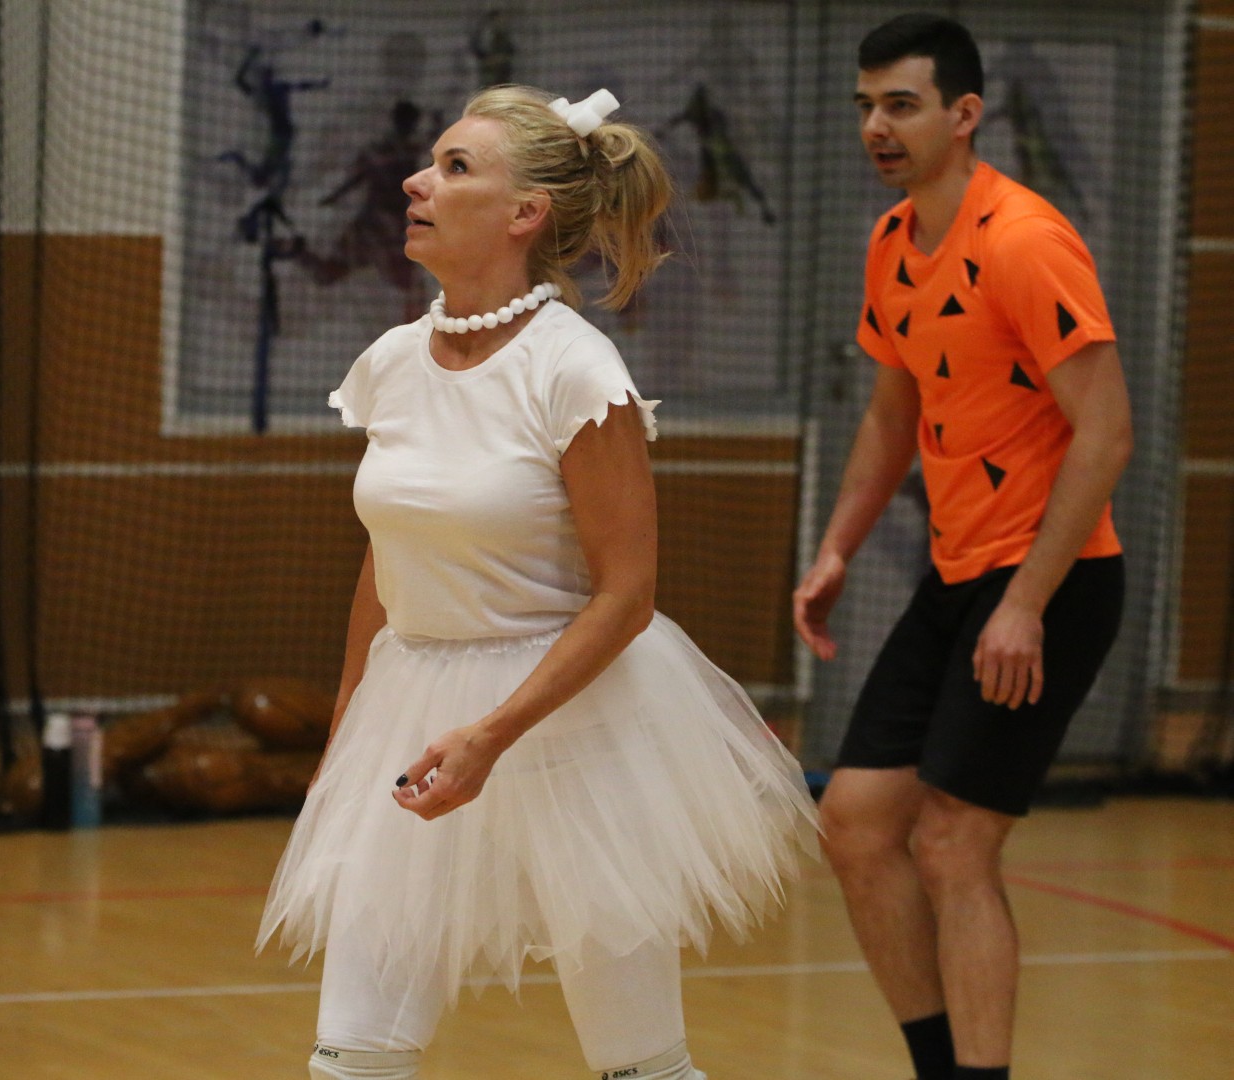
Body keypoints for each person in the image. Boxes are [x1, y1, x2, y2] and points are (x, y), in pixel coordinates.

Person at [257, 85, 818, 1080]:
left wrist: (493, 733)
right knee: (351, 1060)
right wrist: (345, 734)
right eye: (431, 163)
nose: (416, 182)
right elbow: (389, 556)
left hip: (574, 730)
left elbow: (626, 596)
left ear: (526, 213)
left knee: (639, 1067)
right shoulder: (391, 362)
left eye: (454, 168)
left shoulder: (575, 369)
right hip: (412, 715)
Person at [792, 16, 1131, 1080]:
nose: (876, 127)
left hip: (1052, 581)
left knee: (951, 842)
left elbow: (1107, 433)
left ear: (964, 114)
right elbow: (892, 413)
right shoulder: (892, 241)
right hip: (956, 576)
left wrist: (1025, 603)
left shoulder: (1025, 241)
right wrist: (837, 549)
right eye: (865, 106)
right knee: (855, 824)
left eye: (901, 105)